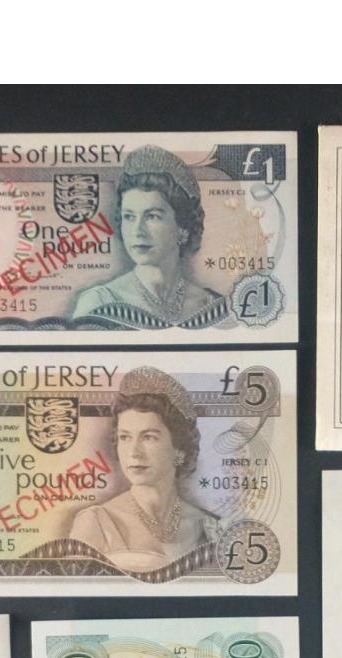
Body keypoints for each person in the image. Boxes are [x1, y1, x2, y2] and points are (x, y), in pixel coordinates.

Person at [69, 365, 219, 571]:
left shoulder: (210, 527)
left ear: (179, 448)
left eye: (148, 437)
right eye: (125, 437)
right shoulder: (95, 523)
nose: (134, 452)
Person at [69, 144, 225, 328]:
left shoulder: (211, 304)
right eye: (129, 217)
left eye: (152, 216)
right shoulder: (99, 303)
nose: (137, 231)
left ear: (182, 227)